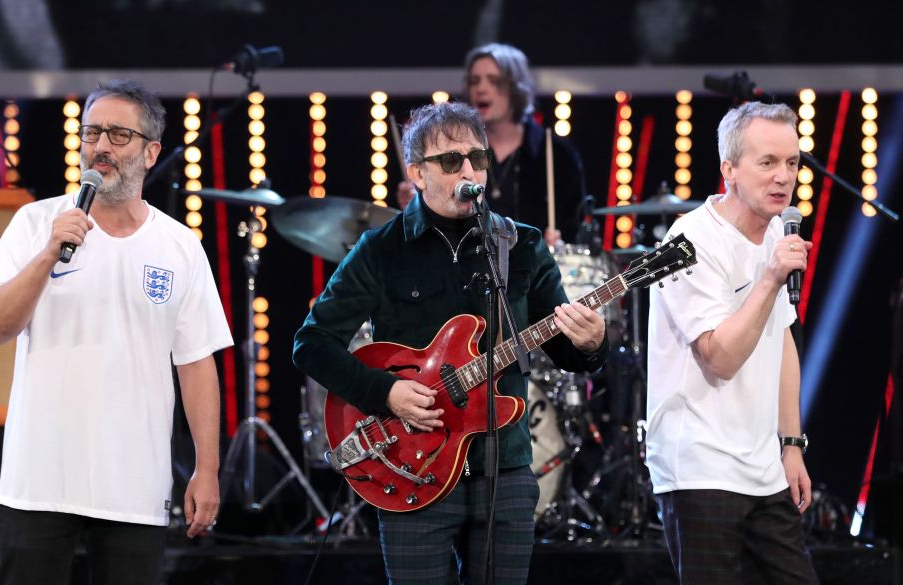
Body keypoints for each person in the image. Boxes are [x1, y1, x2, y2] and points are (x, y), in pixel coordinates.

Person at [293, 101, 608, 585]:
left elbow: (566, 352)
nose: (469, 171)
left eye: (478, 159)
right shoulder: (382, 249)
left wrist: (591, 341)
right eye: (450, 161)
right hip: (411, 466)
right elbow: (311, 344)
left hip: (505, 469)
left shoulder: (520, 245)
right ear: (417, 172)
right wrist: (386, 393)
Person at [0, 79, 233, 585]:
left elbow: (196, 362)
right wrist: (49, 252)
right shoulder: (37, 223)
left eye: (118, 135)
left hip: (134, 484)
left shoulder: (178, 245)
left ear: (151, 150)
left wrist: (207, 468)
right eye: (91, 132)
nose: (100, 147)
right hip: (40, 478)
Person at [645, 101, 818, 584]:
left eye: (791, 163)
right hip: (700, 466)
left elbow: (783, 341)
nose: (783, 177)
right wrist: (769, 278)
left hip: (762, 466)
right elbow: (720, 357)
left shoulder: (773, 236)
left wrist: (791, 444)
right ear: (730, 170)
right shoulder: (690, 242)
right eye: (767, 163)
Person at [397, 44, 588, 248]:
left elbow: (575, 228)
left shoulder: (557, 153)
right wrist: (419, 206)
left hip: (532, 270)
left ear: (516, 87)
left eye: (493, 81)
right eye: (474, 81)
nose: (481, 88)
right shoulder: (454, 151)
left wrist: (562, 245)